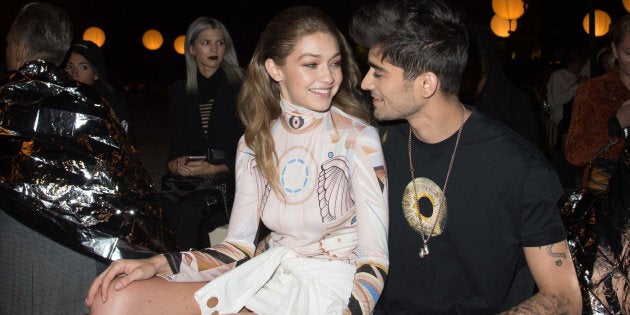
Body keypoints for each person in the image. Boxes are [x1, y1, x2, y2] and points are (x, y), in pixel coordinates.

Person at [86, 5, 389, 315]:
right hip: (268, 272)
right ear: (275, 69)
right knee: (112, 299)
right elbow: (236, 250)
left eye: (335, 63)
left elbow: (375, 260)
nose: (328, 77)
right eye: (311, 64)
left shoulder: (358, 139)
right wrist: (159, 263)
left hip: (331, 291)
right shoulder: (253, 144)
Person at [349, 0, 581, 313]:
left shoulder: (520, 169)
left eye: (379, 73)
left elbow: (563, 298)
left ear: (426, 84)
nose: (365, 83)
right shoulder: (376, 147)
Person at [0, 3, 175, 314]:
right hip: (77, 259)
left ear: (20, 48)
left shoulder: (7, 101)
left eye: (9, 42)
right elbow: (125, 184)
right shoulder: (93, 104)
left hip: (14, 247)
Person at [161, 17, 244, 250]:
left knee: (189, 213)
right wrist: (175, 164)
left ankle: (192, 275)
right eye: (206, 43)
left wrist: (220, 166)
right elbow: (176, 147)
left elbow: (256, 144)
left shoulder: (241, 86)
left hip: (231, 180)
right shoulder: (180, 91)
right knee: (155, 208)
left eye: (219, 43)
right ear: (191, 49)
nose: (214, 49)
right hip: (191, 180)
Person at [565, 14, 630, 185]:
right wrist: (616, 124)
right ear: (615, 50)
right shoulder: (594, 91)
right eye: (629, 53)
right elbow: (575, 154)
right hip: (608, 197)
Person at [64, 39, 132, 134]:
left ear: (96, 73)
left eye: (83, 67)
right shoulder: (55, 98)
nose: (74, 73)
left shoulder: (112, 105)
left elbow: (125, 142)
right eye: (69, 66)